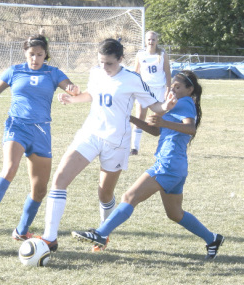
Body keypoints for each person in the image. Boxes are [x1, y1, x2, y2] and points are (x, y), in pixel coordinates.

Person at [37, 38, 177, 252]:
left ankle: (102, 234)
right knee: (59, 180)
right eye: (101, 62)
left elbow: (155, 107)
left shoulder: (132, 79)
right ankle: (49, 238)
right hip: (90, 135)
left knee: (105, 194)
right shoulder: (95, 72)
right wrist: (72, 99)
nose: (105, 67)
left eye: (109, 63)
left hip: (117, 143)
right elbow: (91, 95)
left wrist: (166, 105)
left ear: (121, 59)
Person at [72, 70, 225, 260]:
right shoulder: (176, 105)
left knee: (129, 196)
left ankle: (101, 234)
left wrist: (163, 122)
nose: (173, 90)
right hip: (176, 166)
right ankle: (212, 239)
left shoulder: (185, 102)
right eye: (172, 86)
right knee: (175, 214)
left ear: (189, 89)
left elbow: (190, 128)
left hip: (168, 163)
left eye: (178, 87)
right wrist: (130, 118)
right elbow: (156, 131)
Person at [0, 34, 80, 241]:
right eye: (31, 54)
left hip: (41, 132)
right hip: (17, 126)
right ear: (25, 53)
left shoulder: (53, 72)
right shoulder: (14, 71)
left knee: (40, 190)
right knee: (9, 169)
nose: (35, 59)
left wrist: (72, 91)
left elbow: (72, 88)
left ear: (45, 54)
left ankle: (21, 231)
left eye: (40, 55)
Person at [130, 31, 171, 155]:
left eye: (153, 39)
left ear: (156, 40)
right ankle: (134, 148)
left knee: (158, 119)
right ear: (145, 41)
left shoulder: (162, 54)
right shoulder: (140, 54)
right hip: (144, 90)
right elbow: (136, 72)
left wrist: (168, 87)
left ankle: (161, 147)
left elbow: (167, 72)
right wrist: (134, 87)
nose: (151, 42)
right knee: (140, 118)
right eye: (148, 39)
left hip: (159, 89)